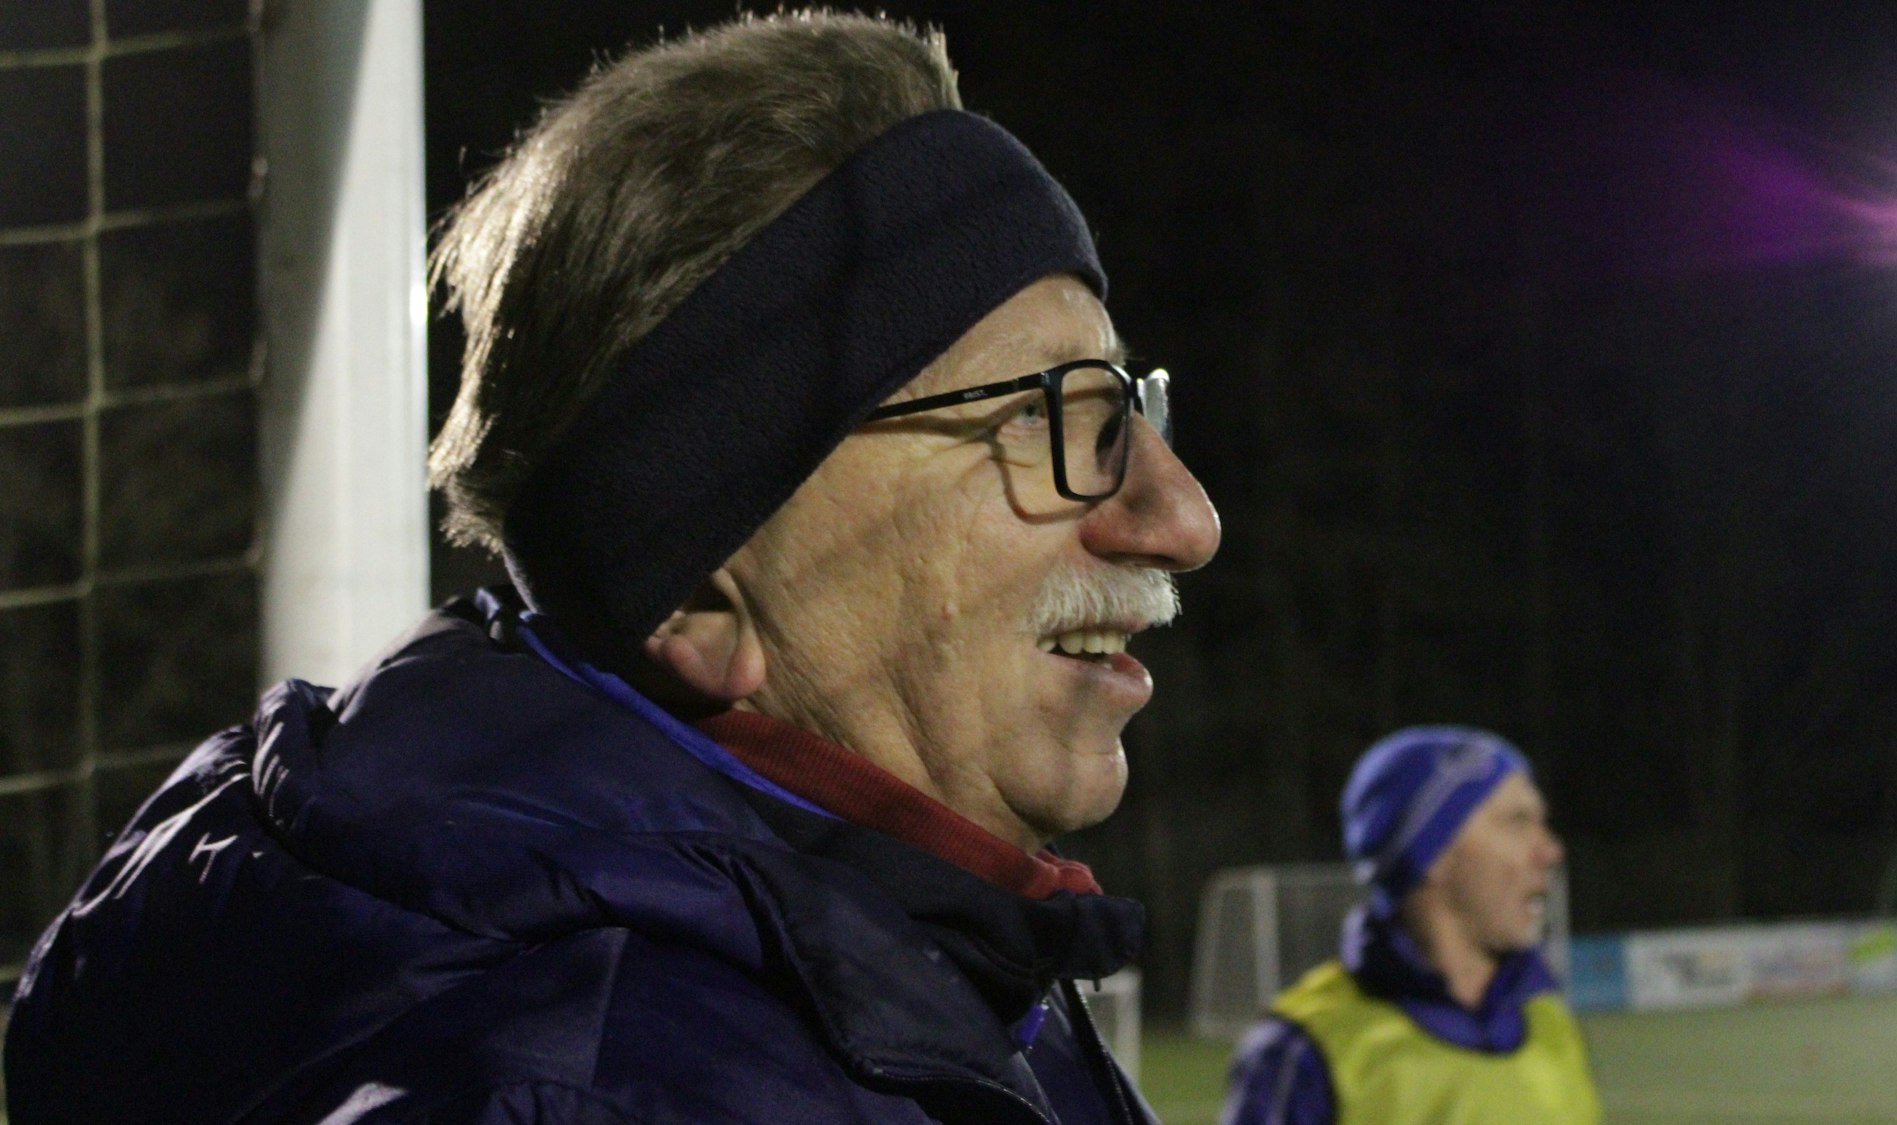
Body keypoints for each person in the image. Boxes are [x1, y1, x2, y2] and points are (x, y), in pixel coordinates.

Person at [4, 13, 1219, 1124]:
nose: (1181, 518)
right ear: (696, 591)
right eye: (1057, 419)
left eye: (1130, 405)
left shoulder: (915, 936)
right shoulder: (598, 1088)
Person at [1220, 726, 1601, 1124]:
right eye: (1517, 822)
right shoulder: (1305, 1054)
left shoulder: (1551, 1024)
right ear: (1430, 854)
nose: (1550, 851)